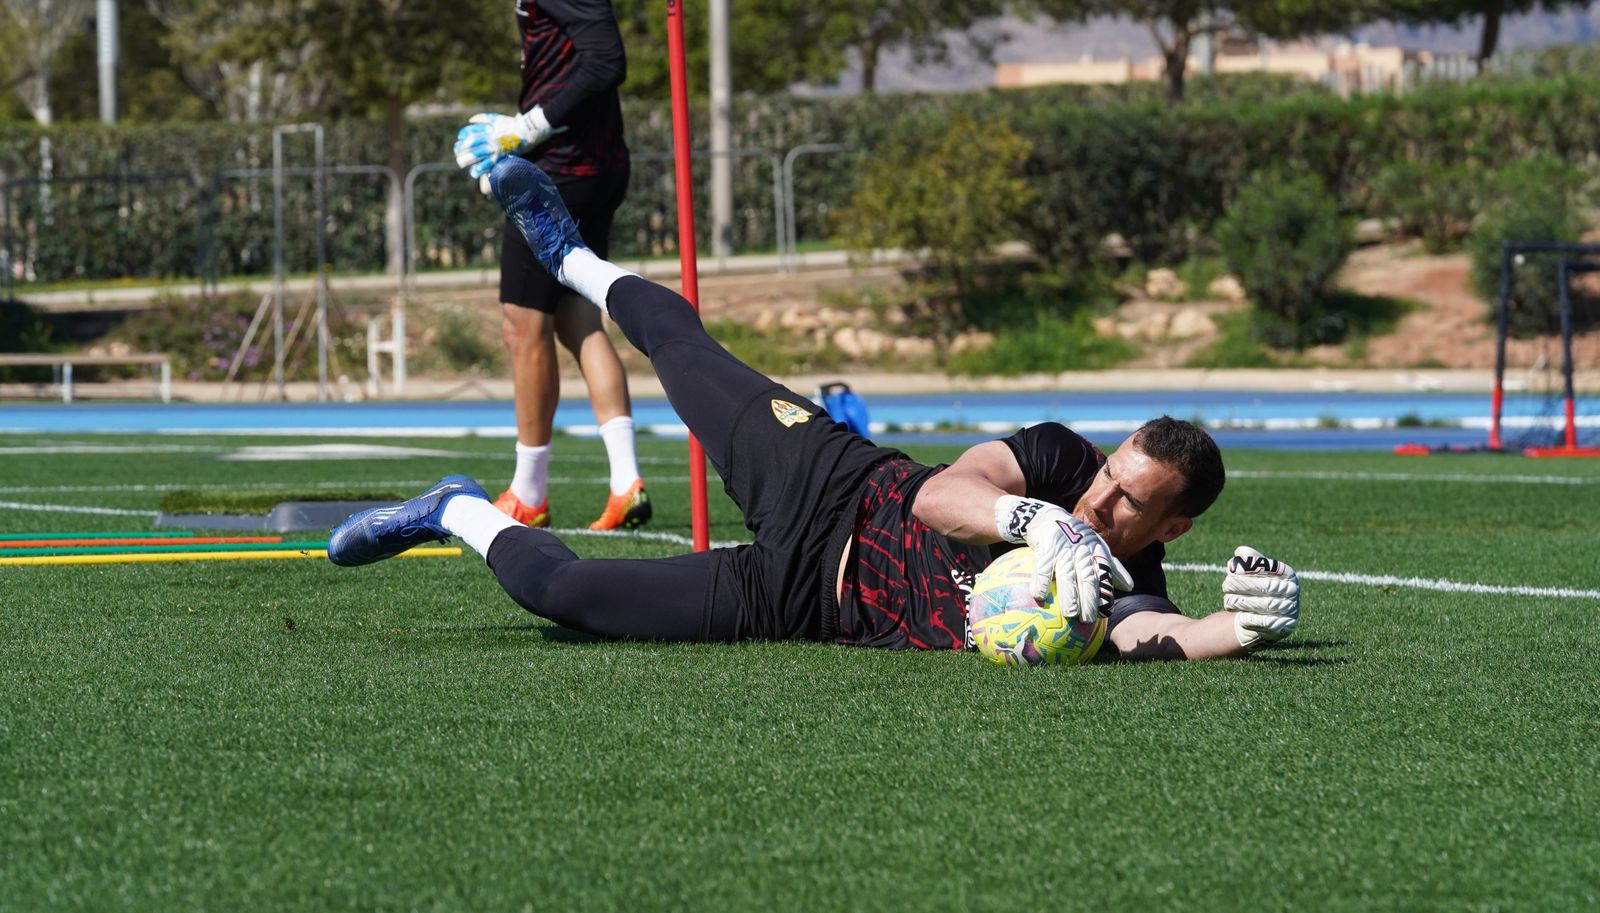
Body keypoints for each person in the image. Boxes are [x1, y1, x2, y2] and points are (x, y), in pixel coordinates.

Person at [330, 158, 1302, 661]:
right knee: (685, 350)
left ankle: (455, 507)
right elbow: (944, 495)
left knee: (567, 599)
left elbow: (1153, 636)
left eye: (1131, 502)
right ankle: (569, 252)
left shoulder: (1128, 587)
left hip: (799, 603)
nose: (1102, 501)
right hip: (833, 481)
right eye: (1109, 476)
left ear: (1172, 524)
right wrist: (1035, 518)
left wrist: (1244, 627)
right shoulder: (1057, 464)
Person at [450, 0, 650, 532]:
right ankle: (626, 482)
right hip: (592, 164)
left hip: (563, 169)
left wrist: (528, 128)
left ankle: (528, 494)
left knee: (523, 326)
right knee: (578, 320)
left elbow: (607, 60)